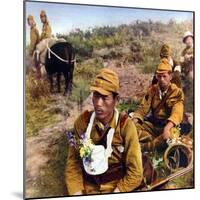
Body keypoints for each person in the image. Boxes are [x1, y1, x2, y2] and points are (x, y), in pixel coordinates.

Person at [65, 68, 143, 195]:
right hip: (88, 186)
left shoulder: (125, 126)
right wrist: (77, 193)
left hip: (116, 186)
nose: (98, 103)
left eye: (105, 97)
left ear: (116, 100)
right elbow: (73, 164)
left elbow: (135, 172)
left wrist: (118, 192)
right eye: (96, 96)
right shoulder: (82, 122)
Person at [129, 58, 184, 152]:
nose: (161, 79)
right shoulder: (152, 90)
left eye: (164, 76)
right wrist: (135, 119)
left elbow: (177, 113)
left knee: (171, 136)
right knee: (131, 126)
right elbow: (143, 108)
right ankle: (155, 141)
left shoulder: (176, 92)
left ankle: (145, 146)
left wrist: (167, 128)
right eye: (159, 76)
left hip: (168, 126)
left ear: (170, 76)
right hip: (154, 125)